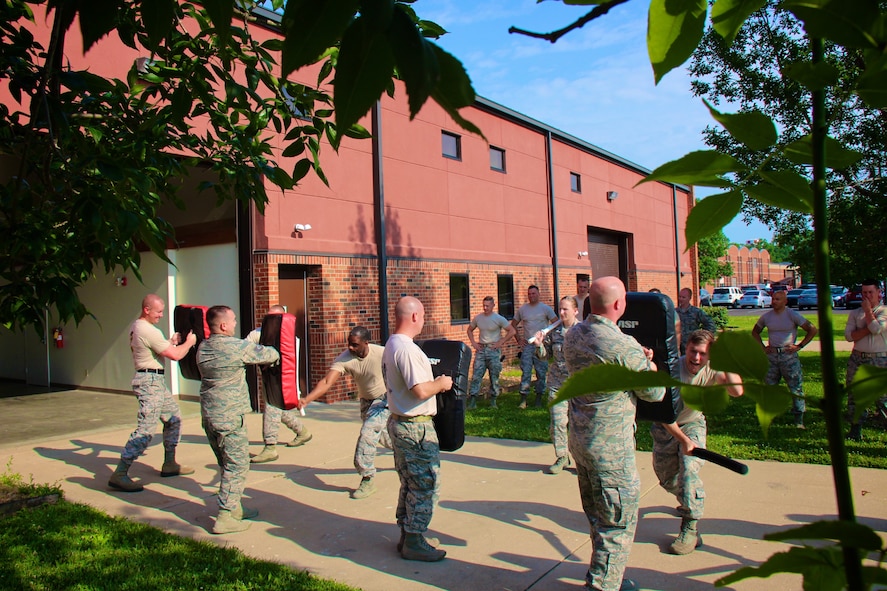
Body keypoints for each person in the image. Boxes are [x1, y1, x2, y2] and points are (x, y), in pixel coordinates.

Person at [563, 276, 666, 591]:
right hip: (610, 447)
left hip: (581, 440)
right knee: (617, 519)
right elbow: (653, 393)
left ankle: (603, 573)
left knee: (598, 512)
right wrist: (650, 367)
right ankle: (604, 584)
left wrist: (638, 360)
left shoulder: (573, 335)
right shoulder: (622, 345)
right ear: (620, 304)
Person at [651, 330, 743, 555]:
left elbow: (737, 391)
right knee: (668, 479)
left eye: (703, 354)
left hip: (692, 425)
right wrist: (682, 440)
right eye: (693, 351)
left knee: (689, 473)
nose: (696, 358)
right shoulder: (673, 369)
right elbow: (664, 415)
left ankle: (690, 527)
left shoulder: (712, 370)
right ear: (686, 349)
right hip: (666, 427)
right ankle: (689, 498)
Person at [197, 305, 280, 534]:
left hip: (209, 416)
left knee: (225, 463)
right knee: (238, 464)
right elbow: (271, 354)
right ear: (223, 325)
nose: (235, 324)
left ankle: (235, 508)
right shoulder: (235, 347)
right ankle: (224, 516)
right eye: (233, 320)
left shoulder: (204, 347)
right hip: (230, 416)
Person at [384, 296, 453, 562]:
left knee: (410, 482)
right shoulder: (407, 349)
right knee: (426, 484)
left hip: (400, 422)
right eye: (422, 316)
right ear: (414, 317)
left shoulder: (392, 343)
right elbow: (420, 390)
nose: (423, 321)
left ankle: (407, 533)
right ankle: (414, 539)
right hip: (416, 428)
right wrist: (441, 383)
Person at [108, 294, 198, 493]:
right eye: (158, 312)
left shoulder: (140, 327)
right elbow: (175, 355)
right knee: (146, 429)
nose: (161, 315)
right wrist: (189, 342)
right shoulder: (146, 329)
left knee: (174, 417)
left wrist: (169, 341)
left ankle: (170, 463)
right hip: (149, 383)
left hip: (155, 381)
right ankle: (120, 474)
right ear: (147, 310)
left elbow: (155, 349)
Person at [298, 326, 390, 499]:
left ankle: (367, 478)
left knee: (367, 434)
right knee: (385, 438)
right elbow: (327, 381)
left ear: (366, 343)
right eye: (349, 344)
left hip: (383, 399)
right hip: (366, 401)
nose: (350, 348)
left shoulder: (382, 353)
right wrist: (307, 399)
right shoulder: (344, 359)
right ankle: (407, 449)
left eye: (355, 345)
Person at [247, 305, 312, 464]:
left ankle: (270, 447)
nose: (271, 322)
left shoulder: (289, 337)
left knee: (271, 408)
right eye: (269, 318)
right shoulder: (257, 334)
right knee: (276, 409)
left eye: (275, 318)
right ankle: (302, 431)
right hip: (267, 376)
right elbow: (245, 349)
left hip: (281, 379)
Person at [752, 289, 817, 429]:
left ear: (785, 301)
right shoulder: (767, 317)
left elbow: (812, 329)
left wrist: (799, 346)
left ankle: (798, 419)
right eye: (773, 299)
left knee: (795, 388)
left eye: (777, 299)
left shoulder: (792, 315)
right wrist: (763, 348)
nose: (774, 302)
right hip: (772, 356)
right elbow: (755, 332)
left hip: (788, 356)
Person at [534, 296, 580, 474]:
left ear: (575, 311)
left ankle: (581, 461)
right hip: (557, 384)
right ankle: (562, 456)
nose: (561, 313)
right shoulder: (554, 331)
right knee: (558, 422)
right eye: (560, 309)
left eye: (565, 309)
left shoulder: (584, 331)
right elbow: (545, 356)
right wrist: (539, 345)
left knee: (579, 425)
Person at [844, 279, 887, 440]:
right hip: (857, 358)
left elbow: (876, 329)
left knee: (882, 397)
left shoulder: (884, 311)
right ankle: (855, 430)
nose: (867, 296)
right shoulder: (855, 313)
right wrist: (868, 328)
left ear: (879, 293)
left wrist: (869, 312)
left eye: (871, 292)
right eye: (864, 293)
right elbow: (849, 336)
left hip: (879, 359)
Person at [511, 285, 558, 409]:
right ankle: (523, 398)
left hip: (541, 345)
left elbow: (556, 324)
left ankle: (539, 397)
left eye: (534, 293)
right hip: (528, 346)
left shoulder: (546, 309)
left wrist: (549, 340)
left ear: (538, 294)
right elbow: (513, 325)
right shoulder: (523, 310)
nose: (531, 296)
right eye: (529, 294)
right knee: (526, 371)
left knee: (541, 372)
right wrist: (519, 339)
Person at [466, 296, 516, 409]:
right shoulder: (478, 318)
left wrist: (501, 342)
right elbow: (469, 329)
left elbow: (512, 331)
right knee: (476, 376)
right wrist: (473, 343)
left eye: (487, 306)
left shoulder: (498, 318)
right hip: (481, 350)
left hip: (493, 350)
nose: (485, 308)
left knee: (494, 376)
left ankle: (493, 401)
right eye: (484, 305)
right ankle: (473, 401)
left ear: (493, 305)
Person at [675, 287, 716, 355]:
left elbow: (711, 324)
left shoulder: (696, 312)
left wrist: (703, 337)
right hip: (677, 347)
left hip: (692, 346)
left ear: (689, 298)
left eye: (683, 297)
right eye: (680, 297)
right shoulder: (674, 312)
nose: (681, 299)